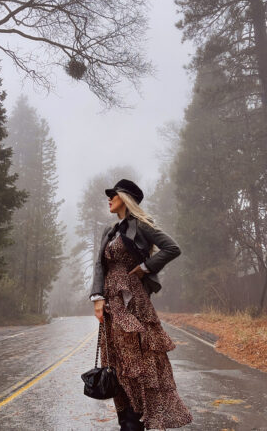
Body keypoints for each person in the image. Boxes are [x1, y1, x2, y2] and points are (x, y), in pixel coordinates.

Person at [89, 179, 193, 430]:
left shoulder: (142, 225)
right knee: (116, 362)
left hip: (133, 300)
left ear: (125, 198)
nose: (109, 198)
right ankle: (126, 420)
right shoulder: (109, 231)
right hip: (111, 302)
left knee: (136, 361)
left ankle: (137, 420)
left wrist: (146, 268)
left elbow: (172, 247)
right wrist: (97, 297)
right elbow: (99, 265)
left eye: (113, 195)